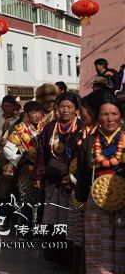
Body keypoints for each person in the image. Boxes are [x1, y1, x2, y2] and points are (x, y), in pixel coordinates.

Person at [75, 97, 124, 274]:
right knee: (97, 246)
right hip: (96, 200)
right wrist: (80, 199)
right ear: (98, 117)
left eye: (114, 114)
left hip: (124, 201)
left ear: (120, 116)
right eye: (104, 114)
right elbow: (82, 173)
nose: (109, 119)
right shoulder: (89, 142)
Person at [34, 92, 82, 268]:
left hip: (72, 182)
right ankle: (55, 256)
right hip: (53, 181)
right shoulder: (50, 127)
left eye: (69, 107)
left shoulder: (81, 127)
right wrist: (39, 175)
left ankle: (70, 259)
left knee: (71, 220)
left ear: (76, 110)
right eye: (62, 106)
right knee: (53, 219)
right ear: (56, 108)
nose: (65, 110)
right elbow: (41, 153)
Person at [68, 90, 111, 274]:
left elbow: (85, 173)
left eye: (84, 109)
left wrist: (80, 194)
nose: (81, 113)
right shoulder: (86, 135)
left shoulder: (96, 139)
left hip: (102, 199)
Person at [2, 101, 44, 237]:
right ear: (27, 114)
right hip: (27, 170)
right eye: (33, 113)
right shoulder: (19, 130)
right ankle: (25, 230)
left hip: (42, 170)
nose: (37, 116)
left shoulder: (45, 128)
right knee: (26, 201)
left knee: (42, 201)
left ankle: (39, 230)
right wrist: (21, 158)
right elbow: (7, 150)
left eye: (39, 112)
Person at [0, 95, 22, 220]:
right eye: (5, 106)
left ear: (14, 107)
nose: (8, 108)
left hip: (15, 156)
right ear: (2, 107)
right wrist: (4, 131)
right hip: (1, 156)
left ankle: (14, 217)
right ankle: (4, 217)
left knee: (15, 188)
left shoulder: (19, 120)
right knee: (2, 188)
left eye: (10, 106)